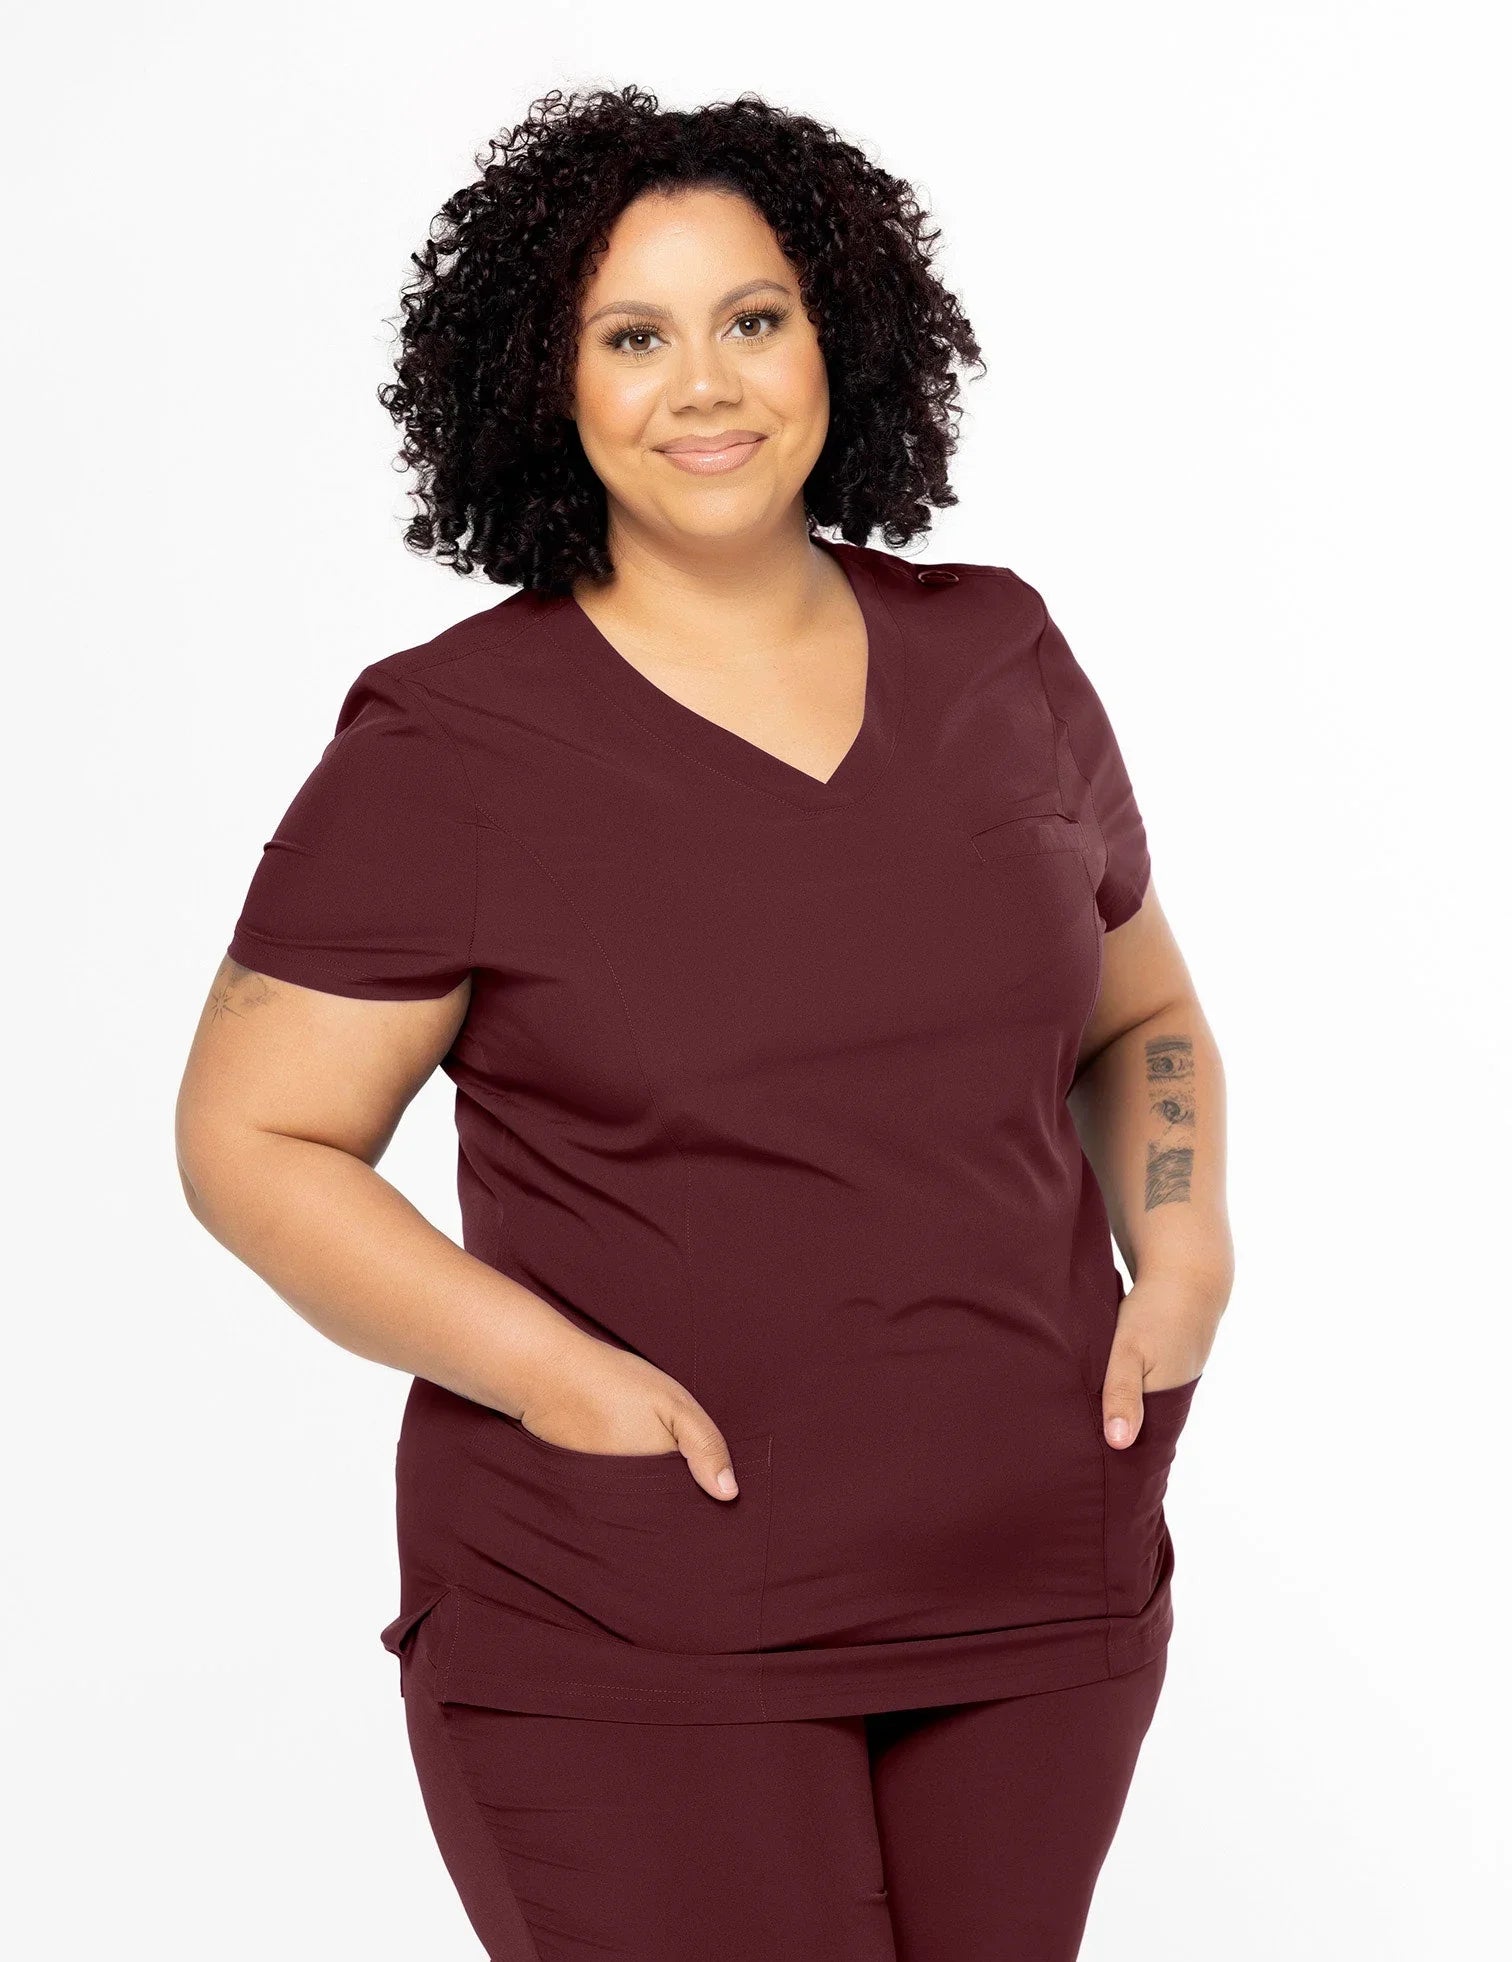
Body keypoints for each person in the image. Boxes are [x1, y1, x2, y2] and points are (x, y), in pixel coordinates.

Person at [176, 83, 1233, 1962]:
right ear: (546, 385)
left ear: (839, 332)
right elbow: (253, 1140)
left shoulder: (997, 655)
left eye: (753, 317)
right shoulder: (452, 742)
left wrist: (1185, 1251)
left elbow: (1137, 1010)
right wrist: (558, 1379)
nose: (708, 384)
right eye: (633, 336)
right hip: (632, 1603)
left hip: (1030, 1586)